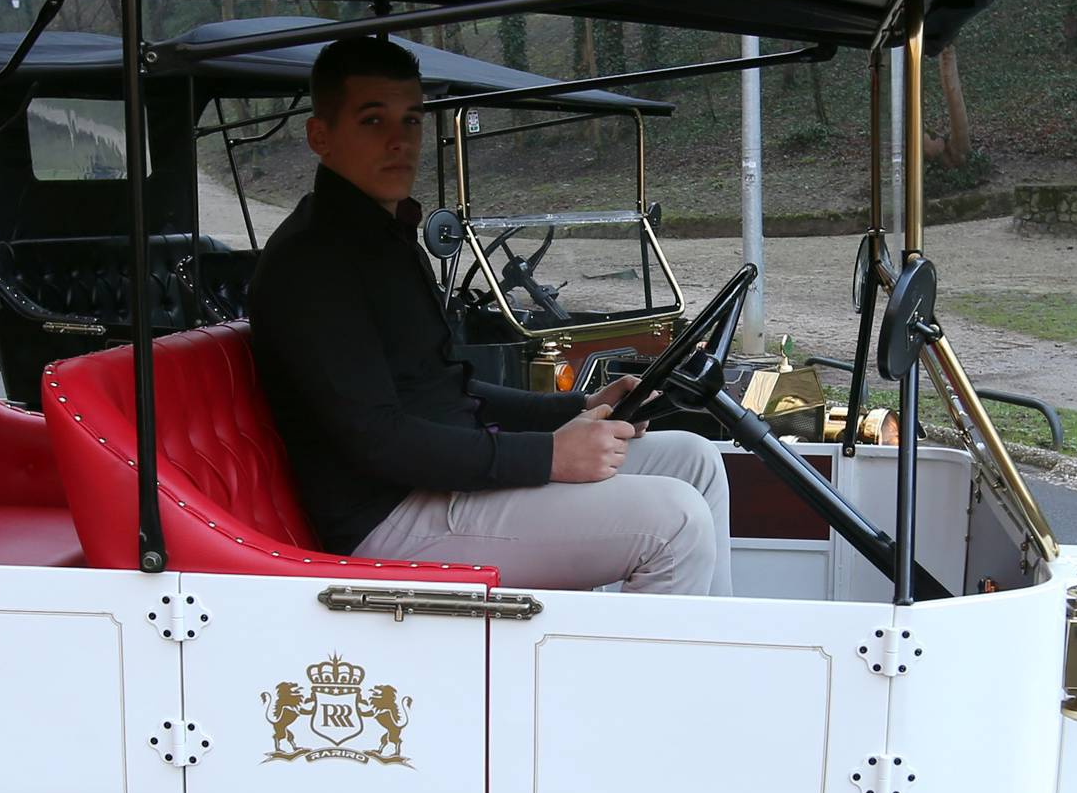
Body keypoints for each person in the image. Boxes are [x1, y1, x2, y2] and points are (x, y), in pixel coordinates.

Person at [247, 35, 733, 595]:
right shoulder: (314, 262)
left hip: (446, 479)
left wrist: (575, 407)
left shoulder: (383, 240)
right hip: (388, 517)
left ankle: (706, 660)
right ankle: (650, 683)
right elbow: (376, 438)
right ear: (320, 136)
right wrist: (548, 455)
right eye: (372, 121)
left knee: (696, 461)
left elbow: (450, 386)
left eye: (410, 121)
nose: (398, 141)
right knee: (673, 519)